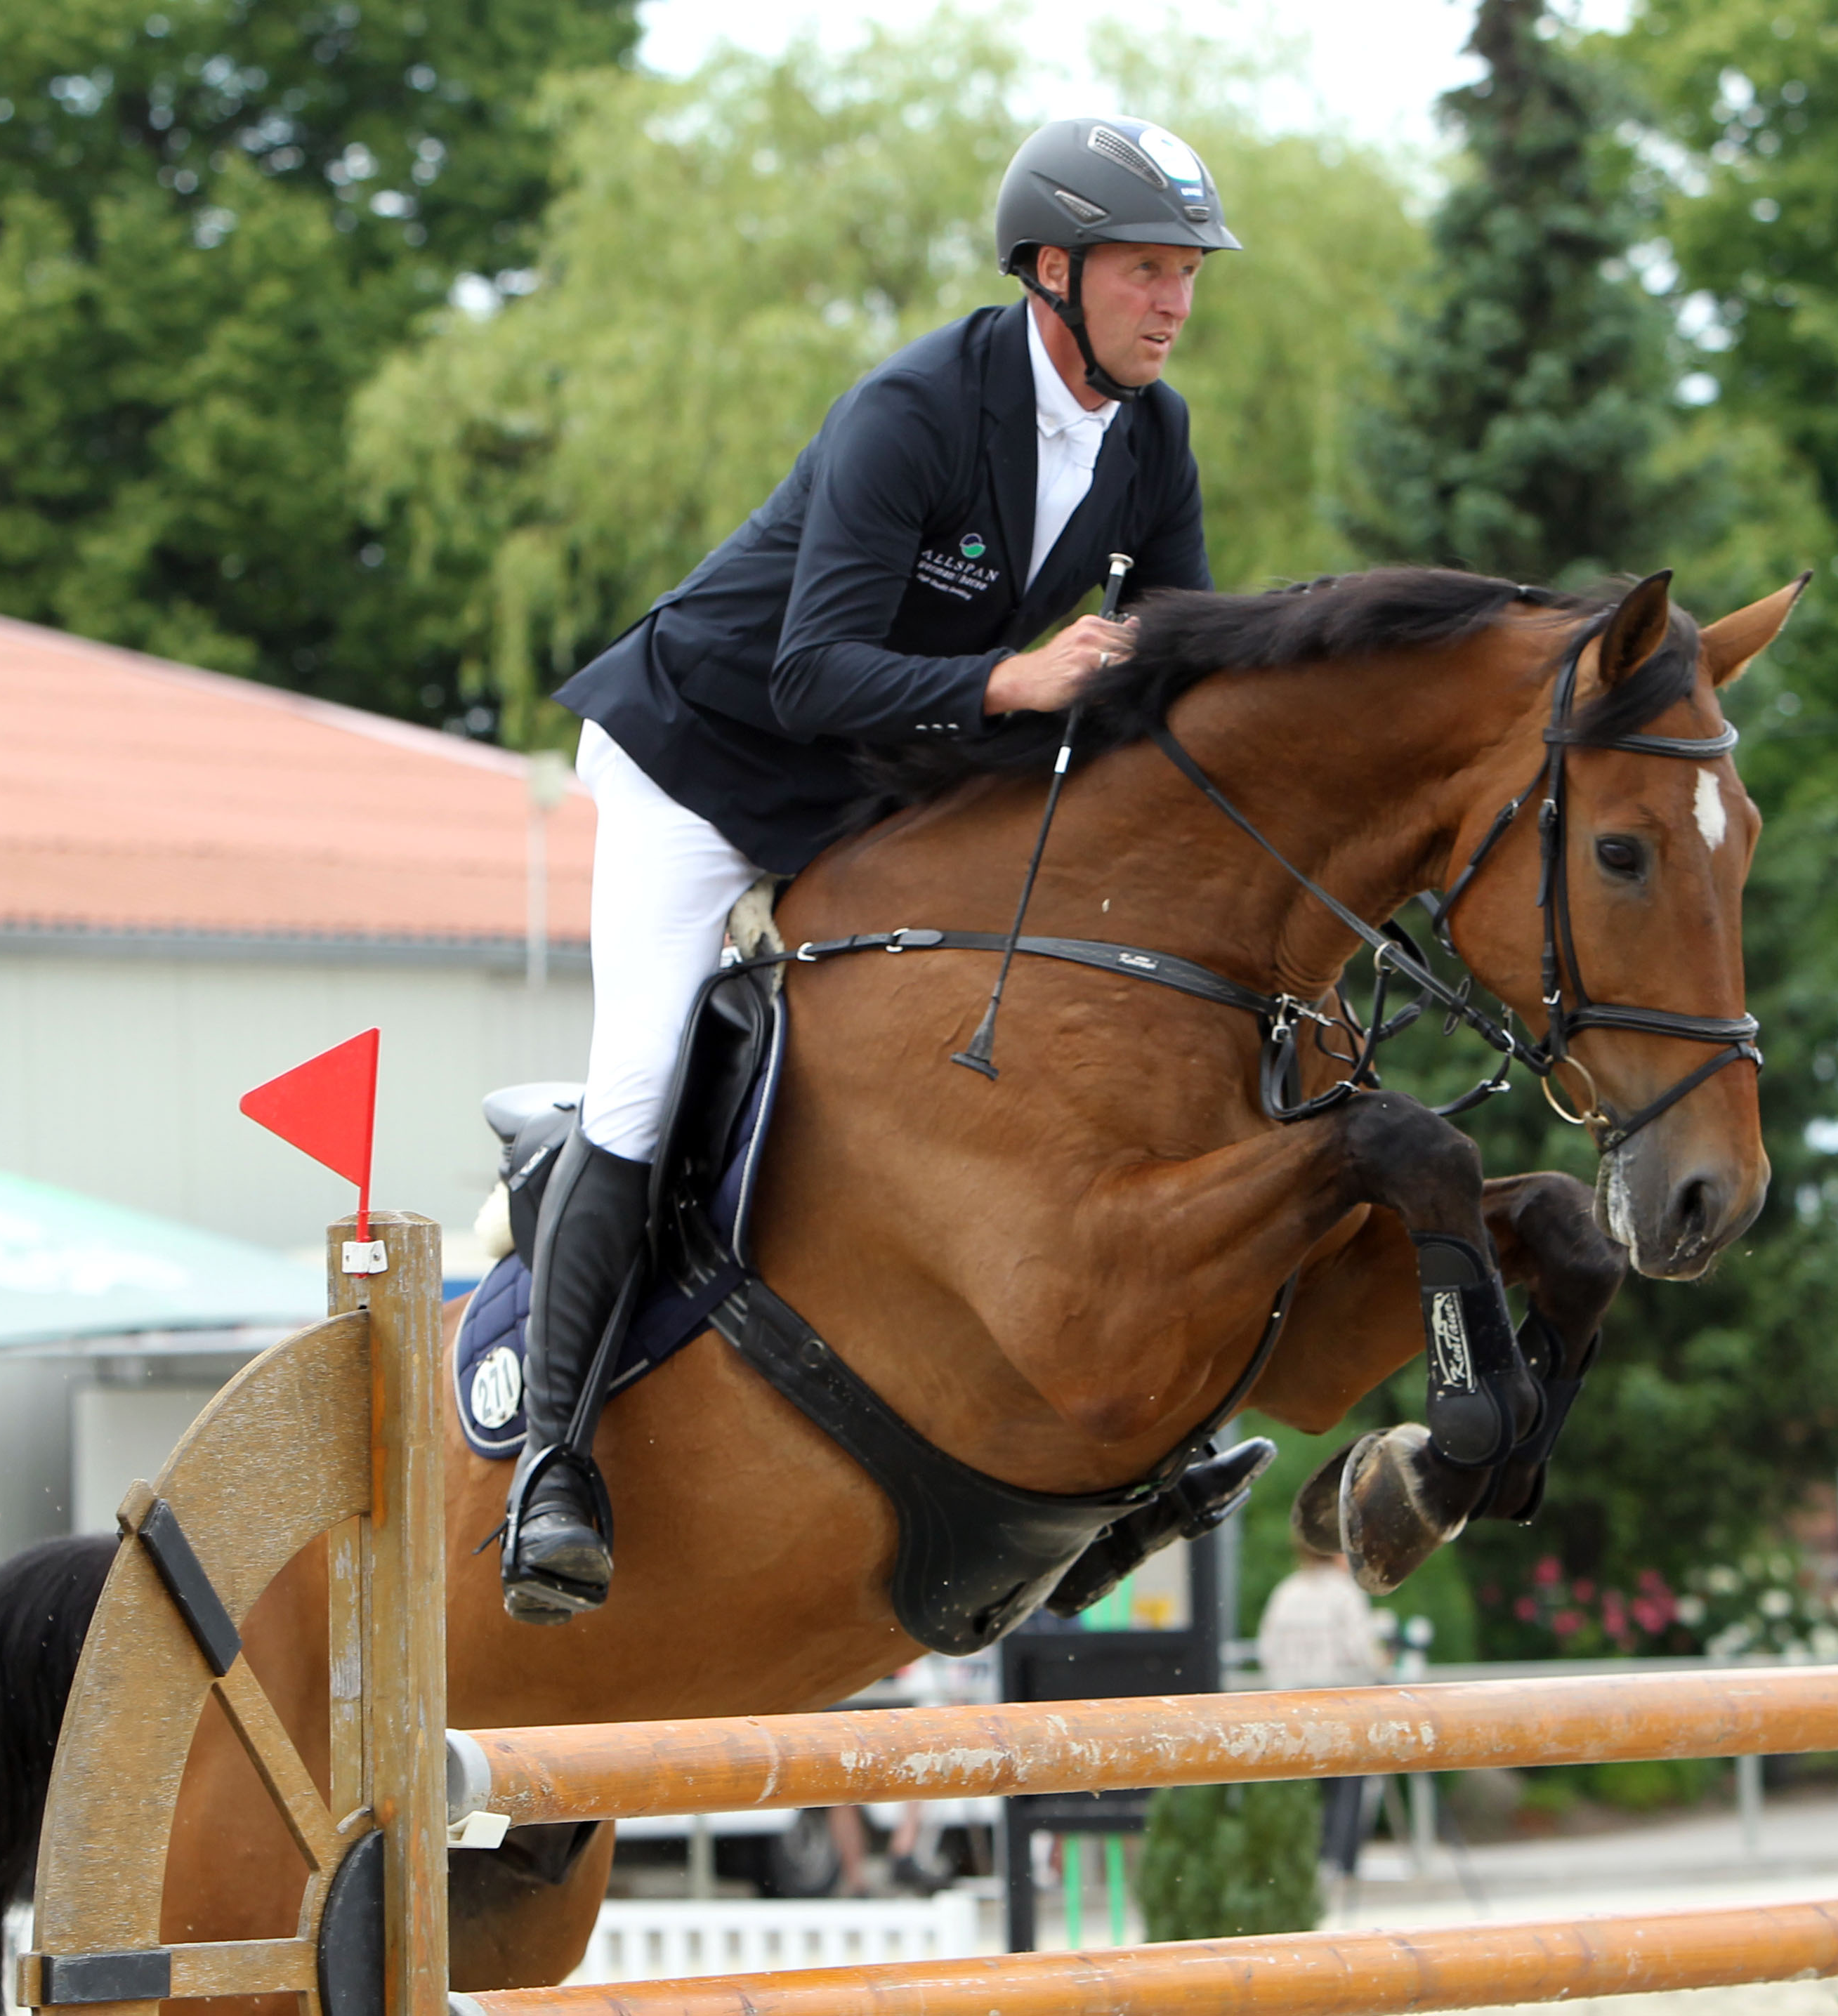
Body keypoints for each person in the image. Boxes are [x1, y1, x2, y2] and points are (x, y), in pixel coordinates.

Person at [496, 117, 1246, 1624]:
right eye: (1147, 272)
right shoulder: (914, 409)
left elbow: (1176, 667)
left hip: (872, 787)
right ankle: (552, 1465)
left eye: (1186, 276)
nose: (1173, 303)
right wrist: (1010, 688)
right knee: (641, 1077)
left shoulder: (1150, 439)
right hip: (699, 758)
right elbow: (813, 667)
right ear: (1053, 270)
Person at [1258, 1538, 1386, 1876]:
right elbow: (1362, 1652)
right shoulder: (1344, 1594)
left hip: (1290, 1709)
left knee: (1299, 1789)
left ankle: (1295, 1862)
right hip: (1338, 1705)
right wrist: (1383, 1661)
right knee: (1347, 1787)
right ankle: (1339, 1860)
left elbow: (1267, 1650)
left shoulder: (1286, 1593)